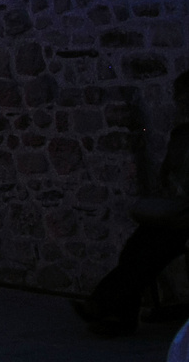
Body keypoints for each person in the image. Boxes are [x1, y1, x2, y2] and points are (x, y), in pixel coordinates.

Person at [74, 69, 189, 336]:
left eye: (184, 103)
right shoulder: (182, 134)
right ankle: (116, 312)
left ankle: (107, 306)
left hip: (184, 214)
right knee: (137, 249)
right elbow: (168, 174)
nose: (181, 108)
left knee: (149, 251)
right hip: (179, 211)